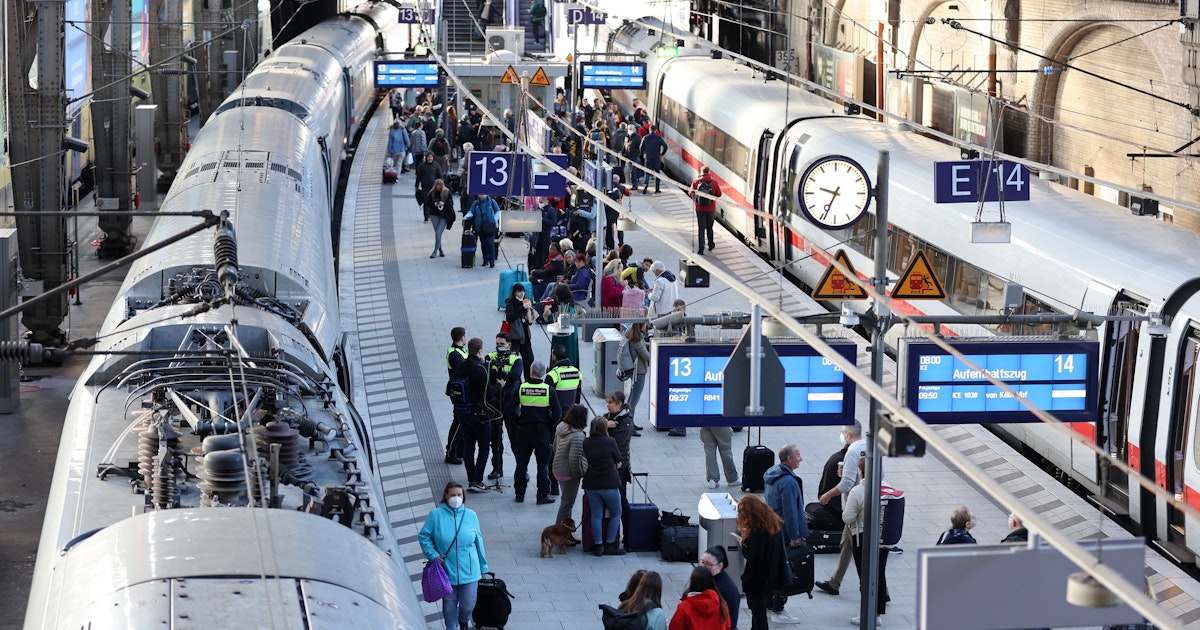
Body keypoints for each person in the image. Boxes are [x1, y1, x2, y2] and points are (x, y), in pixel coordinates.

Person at [419, 482, 489, 630]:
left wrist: (483, 566)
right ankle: (451, 627)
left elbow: (478, 541)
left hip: (470, 570)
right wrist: (433, 555)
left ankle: (464, 620)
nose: (456, 498)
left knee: (468, 603)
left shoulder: (471, 515)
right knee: (449, 602)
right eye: (453, 495)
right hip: (446, 569)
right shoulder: (435, 515)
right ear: (446, 495)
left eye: (459, 495)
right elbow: (424, 537)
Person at [816, 422, 866, 598]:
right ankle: (834, 583)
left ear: (849, 434)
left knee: (861, 553)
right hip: (869, 502)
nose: (841, 435)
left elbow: (846, 484)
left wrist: (828, 495)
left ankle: (879, 592)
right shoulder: (870, 446)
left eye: (842, 432)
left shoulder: (852, 452)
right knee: (846, 544)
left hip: (856, 506)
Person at [762, 444, 808, 624]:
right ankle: (778, 609)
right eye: (798, 455)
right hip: (785, 533)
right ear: (789, 459)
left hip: (773, 528)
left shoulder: (772, 473)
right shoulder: (788, 482)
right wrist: (795, 536)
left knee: (772, 568)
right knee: (784, 570)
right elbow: (791, 511)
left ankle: (768, 604)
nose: (801, 459)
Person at [844, 457, 888, 626]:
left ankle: (868, 612)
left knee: (866, 574)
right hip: (884, 537)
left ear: (861, 471)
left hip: (863, 537)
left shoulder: (858, 491)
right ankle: (878, 613)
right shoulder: (886, 486)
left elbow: (848, 517)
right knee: (880, 573)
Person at [512, 361, 560, 505]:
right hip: (542, 432)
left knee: (521, 464)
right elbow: (557, 412)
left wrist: (518, 421)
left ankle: (520, 494)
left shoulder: (522, 388)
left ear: (531, 372)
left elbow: (509, 409)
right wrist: (551, 427)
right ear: (544, 373)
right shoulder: (548, 390)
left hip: (524, 431)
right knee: (543, 465)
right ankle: (542, 495)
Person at [736, 494, 787, 630]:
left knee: (758, 614)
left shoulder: (758, 532)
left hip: (758, 581)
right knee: (760, 613)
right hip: (770, 577)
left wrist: (744, 545)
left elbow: (754, 558)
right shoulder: (773, 525)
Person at [583, 416, 625, 556]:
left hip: (591, 483)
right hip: (609, 483)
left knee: (596, 515)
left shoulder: (586, 442)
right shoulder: (610, 441)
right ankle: (610, 545)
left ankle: (598, 545)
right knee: (615, 513)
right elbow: (618, 461)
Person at [486, 333, 523, 481]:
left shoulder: (516, 358)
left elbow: (515, 376)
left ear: (509, 344)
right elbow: (486, 372)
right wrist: (502, 375)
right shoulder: (491, 356)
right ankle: (497, 468)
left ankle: (521, 469)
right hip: (495, 403)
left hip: (510, 403)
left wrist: (497, 375)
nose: (498, 346)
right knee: (495, 439)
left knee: (516, 439)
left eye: (501, 344)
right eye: (497, 343)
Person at [457, 338, 492, 492]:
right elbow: (488, 393)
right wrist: (499, 385)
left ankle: (471, 479)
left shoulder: (461, 365)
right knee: (484, 447)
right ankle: (478, 481)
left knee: (469, 445)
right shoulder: (481, 368)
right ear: (479, 351)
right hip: (480, 413)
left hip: (464, 411)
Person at [551, 404, 588, 525]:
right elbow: (574, 460)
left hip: (558, 469)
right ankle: (558, 532)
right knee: (567, 504)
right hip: (569, 474)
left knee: (567, 501)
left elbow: (555, 447)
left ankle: (566, 531)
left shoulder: (561, 426)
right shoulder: (577, 436)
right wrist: (579, 475)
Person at [670, 566, 732, 630]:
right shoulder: (722, 605)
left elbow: (674, 627)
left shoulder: (684, 608)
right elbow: (728, 626)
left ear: (692, 582)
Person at [444, 327, 469, 465]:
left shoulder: (460, 351)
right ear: (462, 337)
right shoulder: (454, 353)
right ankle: (450, 452)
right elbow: (462, 370)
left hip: (462, 390)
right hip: (459, 391)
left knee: (462, 422)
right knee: (458, 422)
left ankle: (459, 450)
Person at [702, 546, 740, 630]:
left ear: (720, 566)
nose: (703, 567)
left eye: (708, 564)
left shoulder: (725, 588)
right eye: (702, 562)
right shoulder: (710, 578)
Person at [504, 283, 536, 373]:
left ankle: (528, 379)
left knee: (529, 359)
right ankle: (515, 380)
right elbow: (510, 317)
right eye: (519, 292)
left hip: (525, 336)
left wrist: (529, 309)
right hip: (515, 337)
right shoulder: (510, 304)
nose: (521, 294)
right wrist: (522, 308)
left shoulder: (525, 302)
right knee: (514, 361)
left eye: (522, 291)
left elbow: (529, 322)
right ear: (514, 293)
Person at [691, 166, 722, 254]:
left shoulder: (696, 182)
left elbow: (690, 193)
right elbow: (719, 194)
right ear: (709, 172)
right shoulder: (714, 182)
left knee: (701, 229)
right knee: (709, 228)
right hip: (711, 209)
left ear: (701, 172)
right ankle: (711, 245)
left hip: (700, 209)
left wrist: (696, 199)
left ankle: (701, 249)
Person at [624, 322, 650, 428]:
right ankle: (629, 425)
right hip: (638, 372)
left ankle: (629, 423)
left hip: (633, 371)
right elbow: (646, 356)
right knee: (634, 399)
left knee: (631, 397)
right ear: (642, 326)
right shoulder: (637, 340)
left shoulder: (629, 334)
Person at [464, 194, 500, 267]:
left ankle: (492, 261)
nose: (482, 195)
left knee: (490, 244)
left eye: (483, 193)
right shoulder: (476, 203)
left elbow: (497, 211)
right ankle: (485, 260)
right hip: (480, 227)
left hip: (490, 227)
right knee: (483, 244)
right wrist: (466, 217)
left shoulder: (492, 202)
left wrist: (494, 220)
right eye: (480, 194)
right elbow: (471, 211)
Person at [700, 424, 740, 490]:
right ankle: (732, 478)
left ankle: (712, 479)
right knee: (725, 449)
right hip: (719, 419)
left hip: (705, 418)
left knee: (709, 449)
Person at [546, 344, 582, 412]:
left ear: (555, 357)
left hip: (557, 413)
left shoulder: (553, 375)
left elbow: (547, 398)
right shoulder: (577, 372)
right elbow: (578, 394)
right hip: (572, 413)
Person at [426, 179, 455, 257]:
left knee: (438, 232)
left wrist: (444, 203)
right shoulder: (432, 193)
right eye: (437, 185)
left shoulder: (446, 192)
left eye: (440, 185)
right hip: (434, 215)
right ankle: (440, 250)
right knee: (438, 234)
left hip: (444, 215)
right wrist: (434, 203)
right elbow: (428, 203)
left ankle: (435, 251)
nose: (438, 187)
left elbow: (451, 203)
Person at [639, 125, 668, 194]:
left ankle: (646, 184)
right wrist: (662, 154)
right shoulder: (659, 138)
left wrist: (644, 153)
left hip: (648, 158)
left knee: (647, 173)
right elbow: (665, 146)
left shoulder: (645, 137)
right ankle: (657, 189)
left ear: (649, 130)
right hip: (656, 158)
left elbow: (641, 148)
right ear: (655, 130)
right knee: (657, 174)